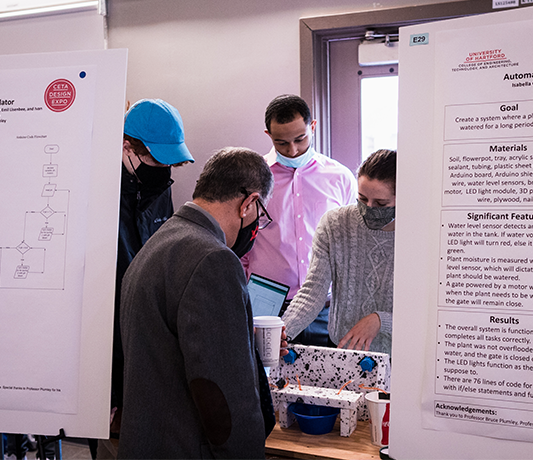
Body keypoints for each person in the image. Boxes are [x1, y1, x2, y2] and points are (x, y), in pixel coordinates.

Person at [118, 147, 281, 459]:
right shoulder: (213, 260)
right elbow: (224, 394)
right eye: (260, 215)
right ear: (248, 204)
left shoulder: (160, 241)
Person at [242, 94, 357, 346]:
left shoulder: (340, 178)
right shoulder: (253, 179)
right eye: (281, 143)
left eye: (300, 139)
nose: (292, 150)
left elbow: (350, 245)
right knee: (265, 382)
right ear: (268, 135)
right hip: (266, 307)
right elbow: (238, 243)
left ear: (312, 127)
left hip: (324, 308)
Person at [110, 99, 195, 439]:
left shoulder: (158, 188)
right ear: (127, 146)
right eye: (157, 159)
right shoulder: (99, 195)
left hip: (151, 344)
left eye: (171, 161)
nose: (165, 169)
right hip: (110, 343)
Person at [282, 149, 396, 355]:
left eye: (381, 204)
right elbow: (312, 293)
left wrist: (381, 320)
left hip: (398, 357)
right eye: (362, 199)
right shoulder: (335, 224)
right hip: (341, 349)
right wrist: (281, 334)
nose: (369, 208)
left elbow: (427, 314)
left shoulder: (420, 238)